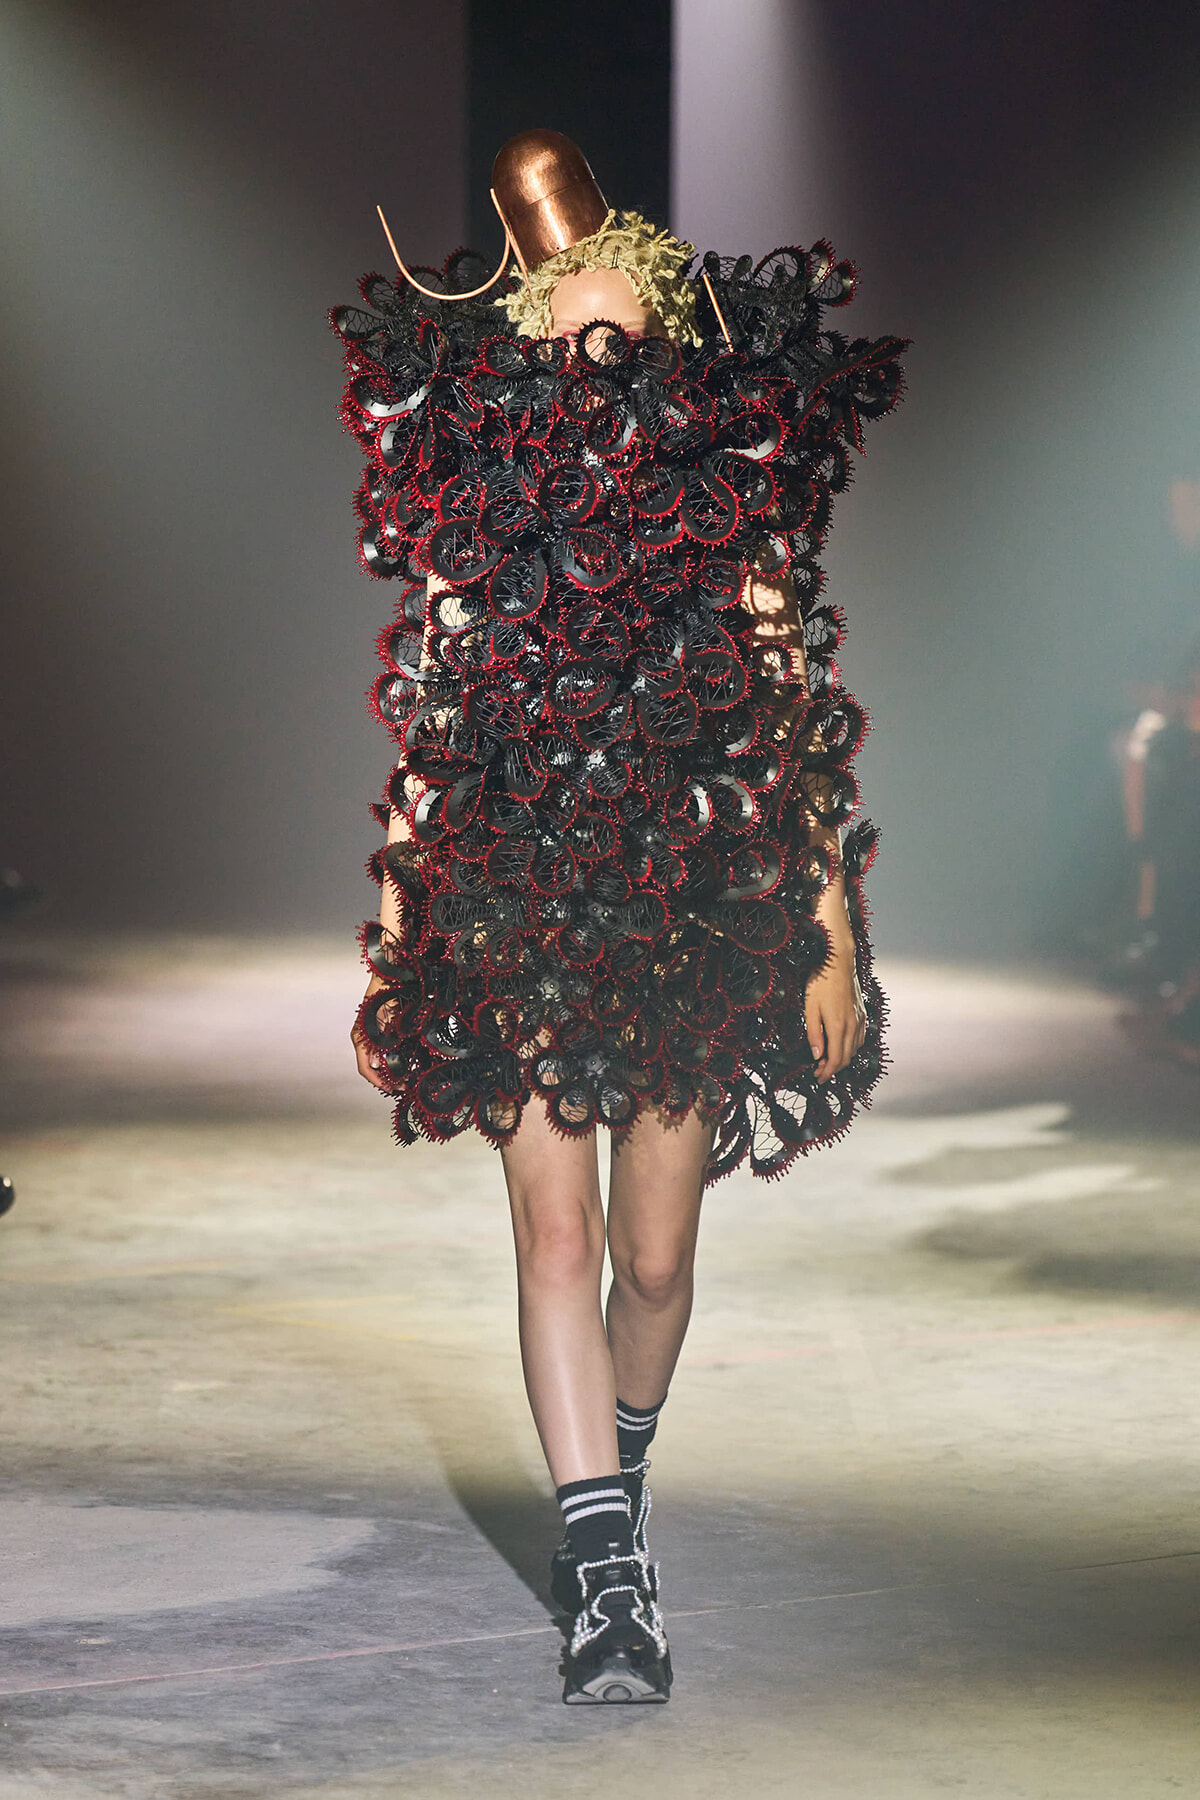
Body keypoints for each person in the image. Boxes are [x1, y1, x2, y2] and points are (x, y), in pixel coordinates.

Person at [332, 130, 907, 1703]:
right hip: (519, 883)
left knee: (651, 1262)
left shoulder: (731, 509)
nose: (596, 364)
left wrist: (832, 928)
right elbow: (430, 710)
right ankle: (608, 1585)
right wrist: (402, 901)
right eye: (567, 337)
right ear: (529, 348)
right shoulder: (482, 513)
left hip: (690, 894)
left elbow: (796, 716)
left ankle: (617, 1488)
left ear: (656, 332)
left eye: (620, 335)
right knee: (556, 1235)